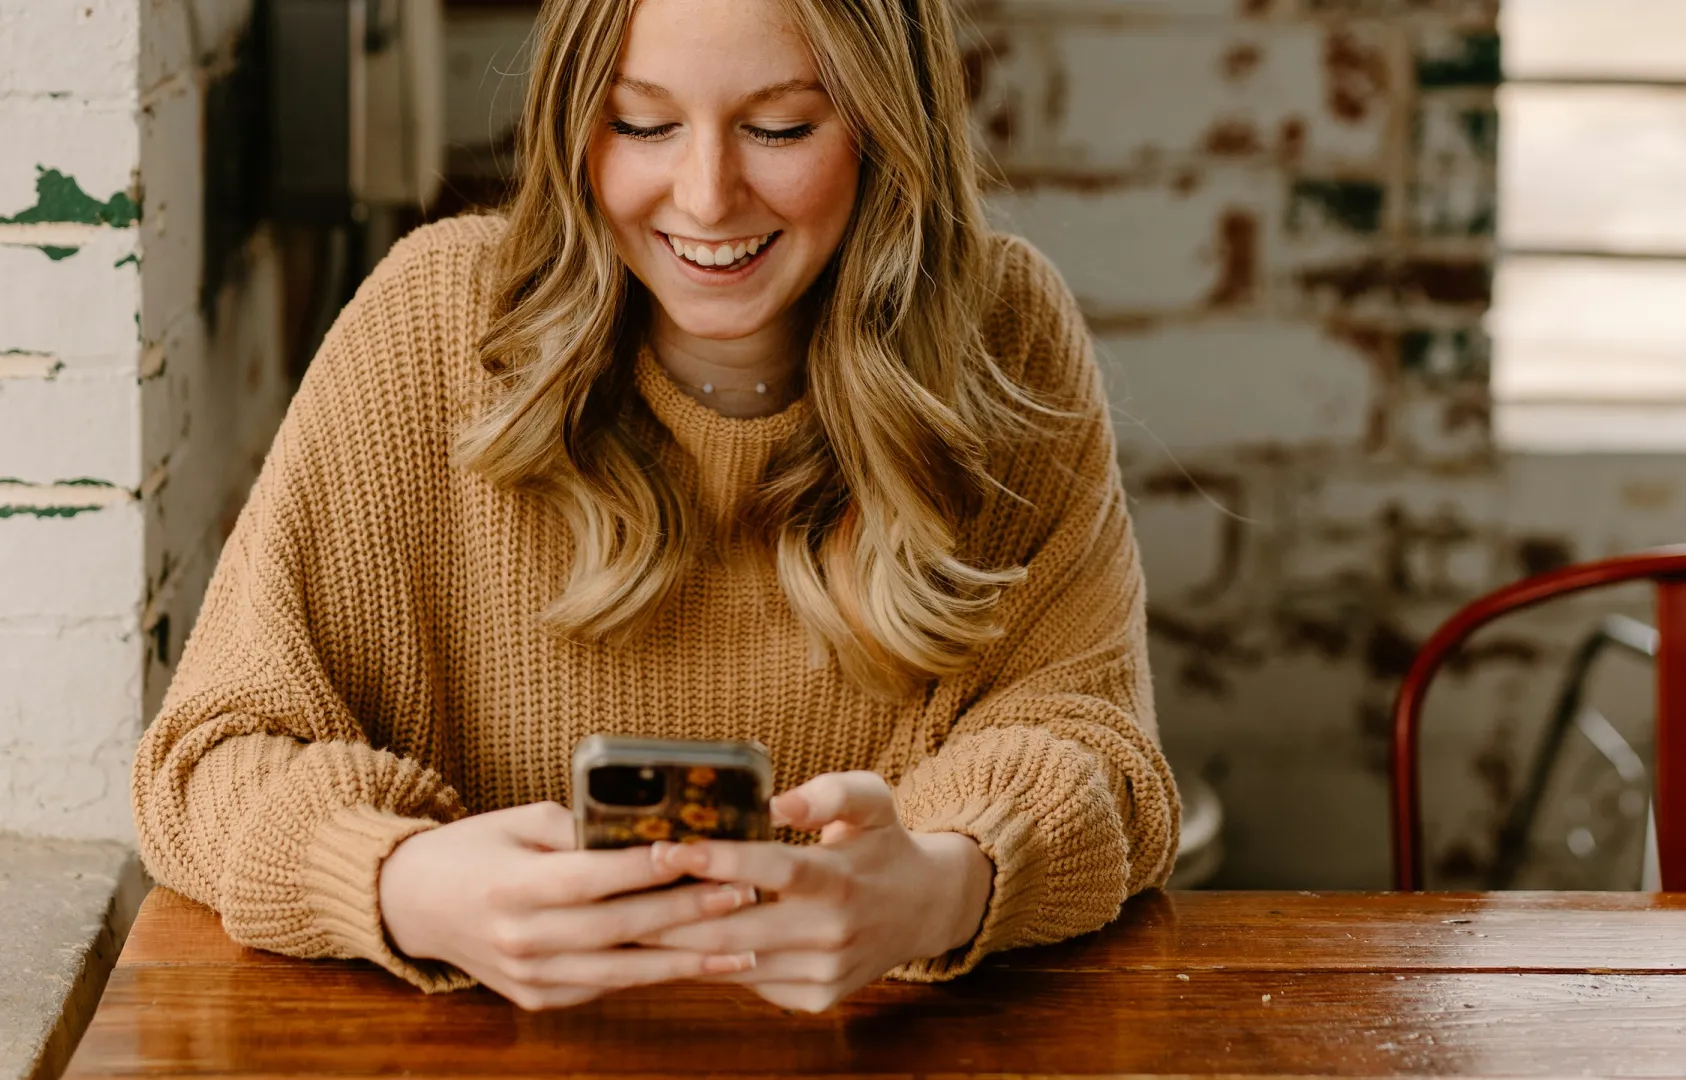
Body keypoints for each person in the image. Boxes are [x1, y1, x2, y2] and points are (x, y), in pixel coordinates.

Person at [130, 0, 1179, 1013]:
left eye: (782, 128)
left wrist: (945, 888)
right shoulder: (431, 323)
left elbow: (1102, 755)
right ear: (575, 121)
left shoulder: (1005, 337)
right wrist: (405, 883)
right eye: (641, 124)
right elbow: (207, 758)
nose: (707, 198)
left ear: (888, 128)